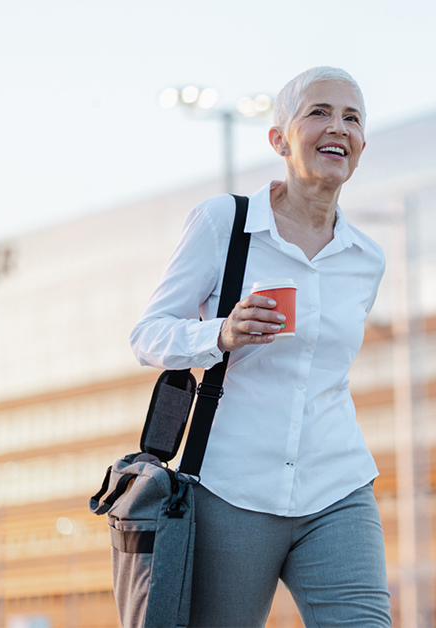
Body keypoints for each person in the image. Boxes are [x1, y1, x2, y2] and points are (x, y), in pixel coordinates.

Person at [129, 66, 390, 628]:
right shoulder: (225, 222)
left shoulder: (366, 258)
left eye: (352, 118)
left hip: (336, 484)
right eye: (318, 112)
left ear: (362, 145)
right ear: (279, 139)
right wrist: (218, 333)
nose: (337, 127)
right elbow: (147, 336)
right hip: (231, 490)